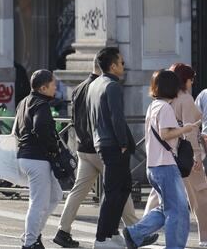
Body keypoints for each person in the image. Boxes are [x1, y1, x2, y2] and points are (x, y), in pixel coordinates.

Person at [53, 58, 147, 248]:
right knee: (118, 188)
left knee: (79, 190)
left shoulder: (79, 88)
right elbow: (107, 119)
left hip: (83, 147)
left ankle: (63, 230)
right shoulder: (102, 87)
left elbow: (74, 119)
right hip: (100, 147)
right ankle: (135, 230)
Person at [122, 70, 199, 249]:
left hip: (154, 166)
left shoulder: (153, 106)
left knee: (167, 208)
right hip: (166, 166)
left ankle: (134, 233)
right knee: (178, 211)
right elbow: (165, 134)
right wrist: (186, 129)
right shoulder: (165, 108)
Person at [145, 63, 207, 246]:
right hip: (185, 156)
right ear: (184, 80)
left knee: (157, 197)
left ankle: (142, 231)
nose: (192, 83)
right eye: (191, 79)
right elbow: (190, 132)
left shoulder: (160, 102)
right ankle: (204, 236)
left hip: (164, 156)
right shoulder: (185, 99)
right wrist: (197, 156)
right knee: (199, 196)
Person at [88, 47, 135, 248]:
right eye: (122, 62)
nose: (124, 65)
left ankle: (112, 232)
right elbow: (117, 117)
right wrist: (123, 143)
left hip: (102, 142)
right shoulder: (112, 86)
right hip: (114, 144)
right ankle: (102, 238)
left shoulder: (94, 85)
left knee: (123, 187)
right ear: (113, 66)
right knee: (113, 191)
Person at [13, 69, 62, 249]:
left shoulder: (23, 102)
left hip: (27, 157)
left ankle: (31, 234)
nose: (55, 87)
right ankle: (30, 242)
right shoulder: (41, 104)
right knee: (38, 203)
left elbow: (16, 130)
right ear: (43, 88)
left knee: (55, 196)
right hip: (37, 159)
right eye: (53, 84)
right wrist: (53, 148)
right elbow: (40, 127)